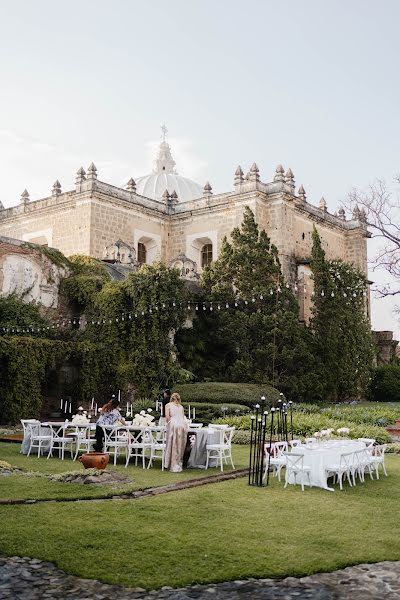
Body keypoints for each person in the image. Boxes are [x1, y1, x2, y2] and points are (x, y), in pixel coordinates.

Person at [164, 392, 189, 472]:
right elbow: (182, 417)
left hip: (173, 425)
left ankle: (170, 463)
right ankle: (178, 462)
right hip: (182, 426)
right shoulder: (181, 407)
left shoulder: (168, 405)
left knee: (172, 444)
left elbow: (167, 417)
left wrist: (168, 424)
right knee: (179, 446)